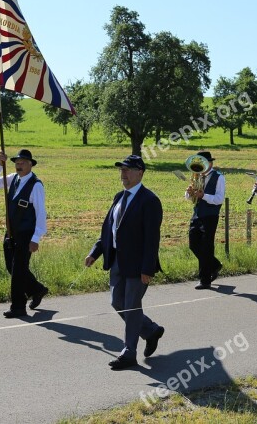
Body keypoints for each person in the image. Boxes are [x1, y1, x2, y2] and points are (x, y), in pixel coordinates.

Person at [85, 155, 165, 370]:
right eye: (121, 170)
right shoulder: (118, 197)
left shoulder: (149, 201)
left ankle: (129, 353)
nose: (123, 174)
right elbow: (109, 231)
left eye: (128, 170)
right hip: (118, 260)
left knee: (131, 306)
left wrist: (147, 268)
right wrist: (95, 252)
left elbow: (152, 239)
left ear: (140, 172)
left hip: (139, 265)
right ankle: (150, 330)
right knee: (117, 302)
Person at [0, 149, 49, 319]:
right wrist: (0, 165)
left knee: (19, 270)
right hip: (11, 232)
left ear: (30, 164)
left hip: (27, 234)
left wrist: (36, 238)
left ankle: (18, 307)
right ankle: (37, 289)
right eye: (17, 162)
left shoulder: (36, 185)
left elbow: (41, 213)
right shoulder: (12, 178)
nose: (19, 165)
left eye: (22, 163)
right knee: (11, 267)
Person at [185, 151, 225, 290]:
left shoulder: (219, 177)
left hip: (210, 215)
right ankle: (214, 265)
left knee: (206, 246)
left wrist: (204, 196)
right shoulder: (197, 176)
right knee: (193, 244)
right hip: (197, 213)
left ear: (210, 163)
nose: (201, 166)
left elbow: (219, 199)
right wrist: (189, 193)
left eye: (204, 163)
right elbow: (189, 199)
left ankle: (205, 280)